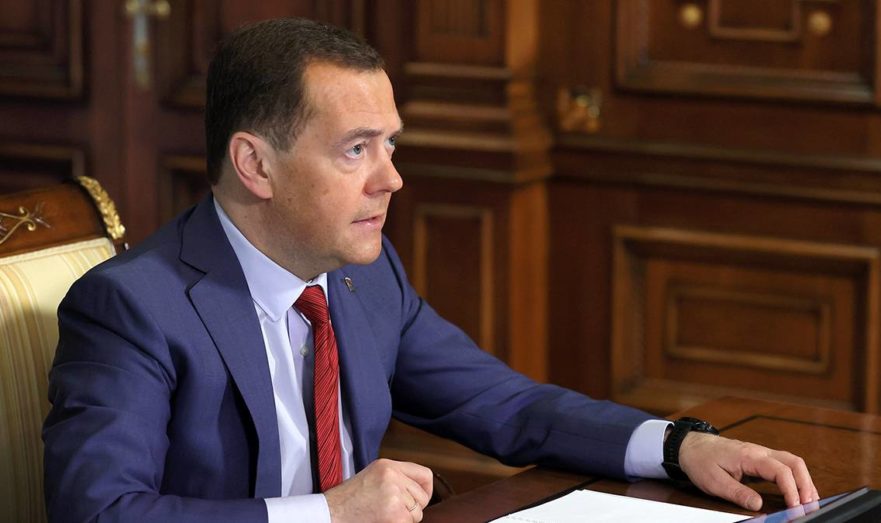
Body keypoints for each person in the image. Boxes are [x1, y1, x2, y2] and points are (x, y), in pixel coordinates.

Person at [43, 17, 817, 523]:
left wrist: (678, 445)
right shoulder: (133, 306)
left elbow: (505, 405)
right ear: (256, 164)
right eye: (355, 149)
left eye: (390, 145)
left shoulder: (363, 275)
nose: (391, 179)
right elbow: (98, 511)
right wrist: (331, 512)